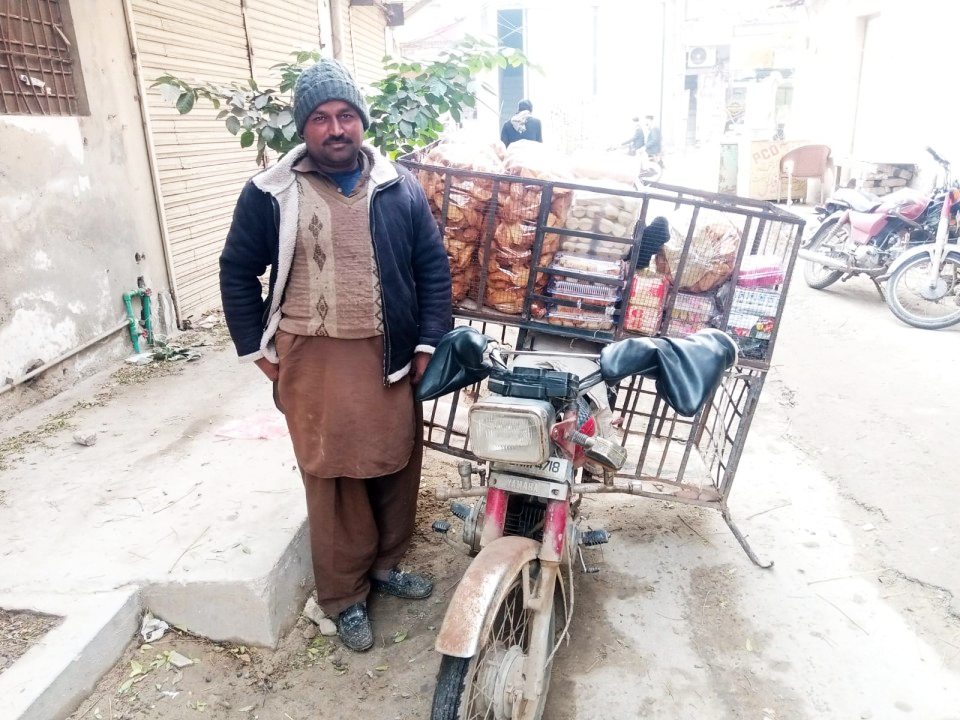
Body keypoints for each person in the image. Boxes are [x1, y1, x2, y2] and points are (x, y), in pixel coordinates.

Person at [219, 58, 453, 653]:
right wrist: (262, 354)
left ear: (361, 122)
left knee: (396, 462)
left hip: (389, 354)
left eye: (346, 115)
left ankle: (385, 566)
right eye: (320, 118)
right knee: (332, 477)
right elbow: (237, 271)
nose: (335, 129)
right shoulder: (270, 194)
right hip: (312, 358)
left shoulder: (397, 188)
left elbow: (432, 268)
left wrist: (426, 342)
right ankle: (344, 596)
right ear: (303, 128)